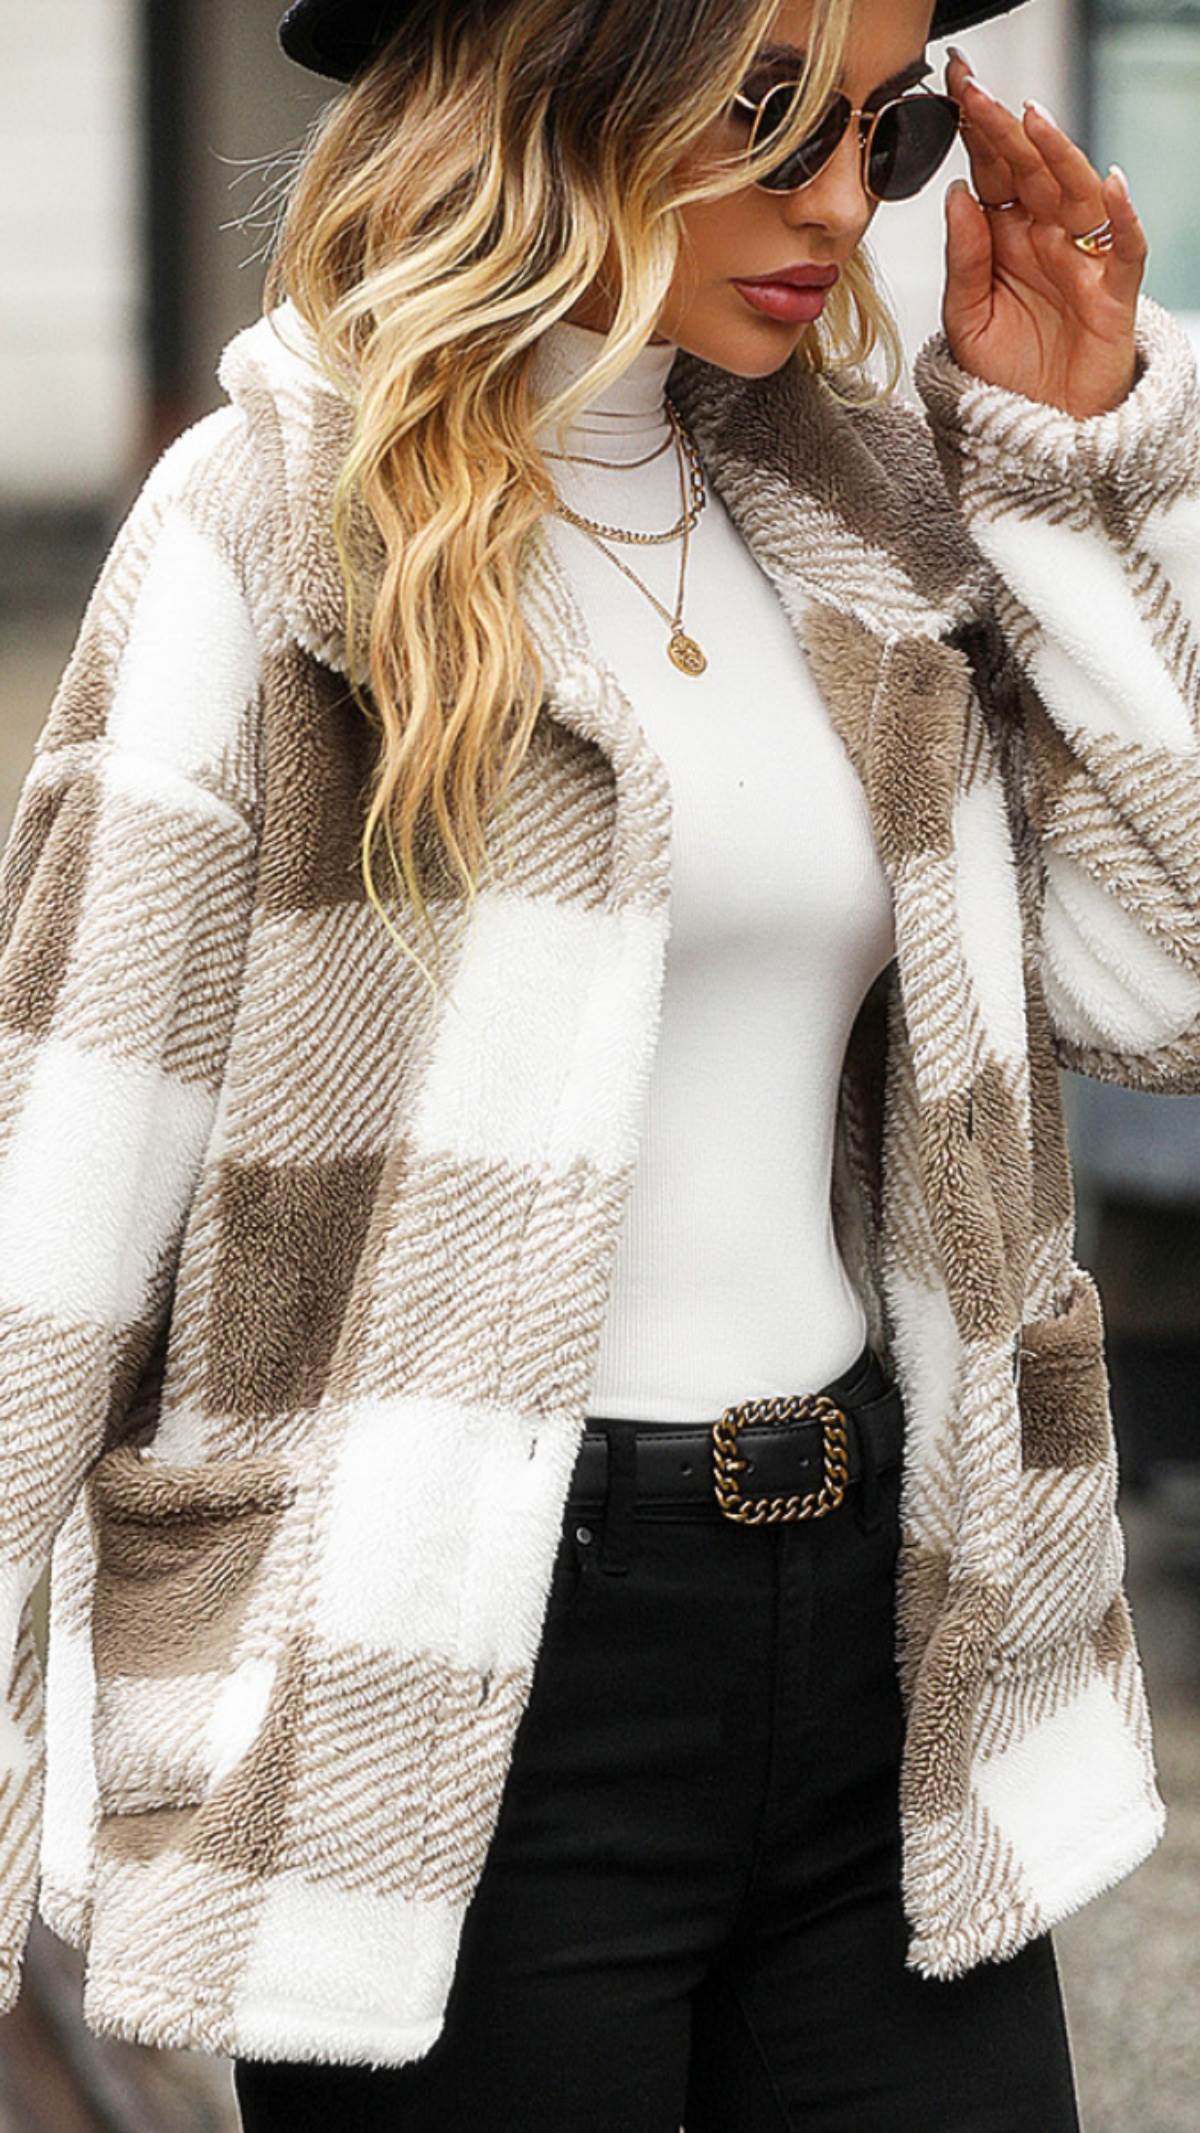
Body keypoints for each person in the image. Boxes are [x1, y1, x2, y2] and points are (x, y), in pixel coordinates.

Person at [1, 0, 1194, 2124]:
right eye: (769, 115)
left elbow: (1162, 981)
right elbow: (57, 1210)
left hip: (889, 1623)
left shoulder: (866, 514)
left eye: (884, 134)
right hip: (442, 1681)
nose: (834, 203)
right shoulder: (272, 523)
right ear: (572, 72)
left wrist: (1069, 456)